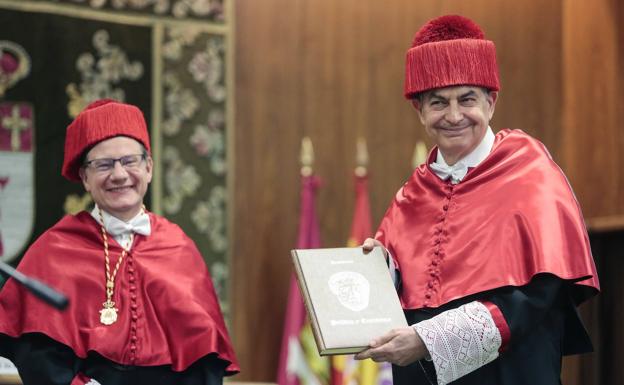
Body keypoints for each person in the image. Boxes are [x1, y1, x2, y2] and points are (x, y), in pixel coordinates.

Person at [355, 15, 599, 385]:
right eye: (438, 103)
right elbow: (409, 291)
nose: (454, 116)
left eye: (466, 99)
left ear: (491, 101)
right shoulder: (410, 196)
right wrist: (384, 269)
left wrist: (429, 341)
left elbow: (537, 295)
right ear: (420, 111)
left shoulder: (531, 174)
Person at [0, 99, 239, 385]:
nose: (119, 175)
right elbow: (37, 351)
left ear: (148, 168)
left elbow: (204, 358)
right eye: (103, 165)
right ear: (85, 177)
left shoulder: (179, 247)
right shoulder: (54, 248)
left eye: (129, 161)